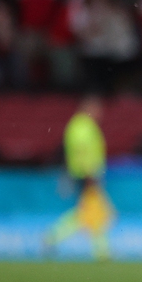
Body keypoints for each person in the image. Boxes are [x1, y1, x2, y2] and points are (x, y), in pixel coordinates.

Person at [46, 96, 113, 260]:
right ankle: (100, 251)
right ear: (88, 109)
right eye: (97, 109)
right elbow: (82, 151)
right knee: (95, 212)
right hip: (86, 174)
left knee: (90, 212)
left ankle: (54, 237)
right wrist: (90, 173)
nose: (100, 113)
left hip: (86, 173)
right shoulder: (83, 127)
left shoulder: (82, 125)